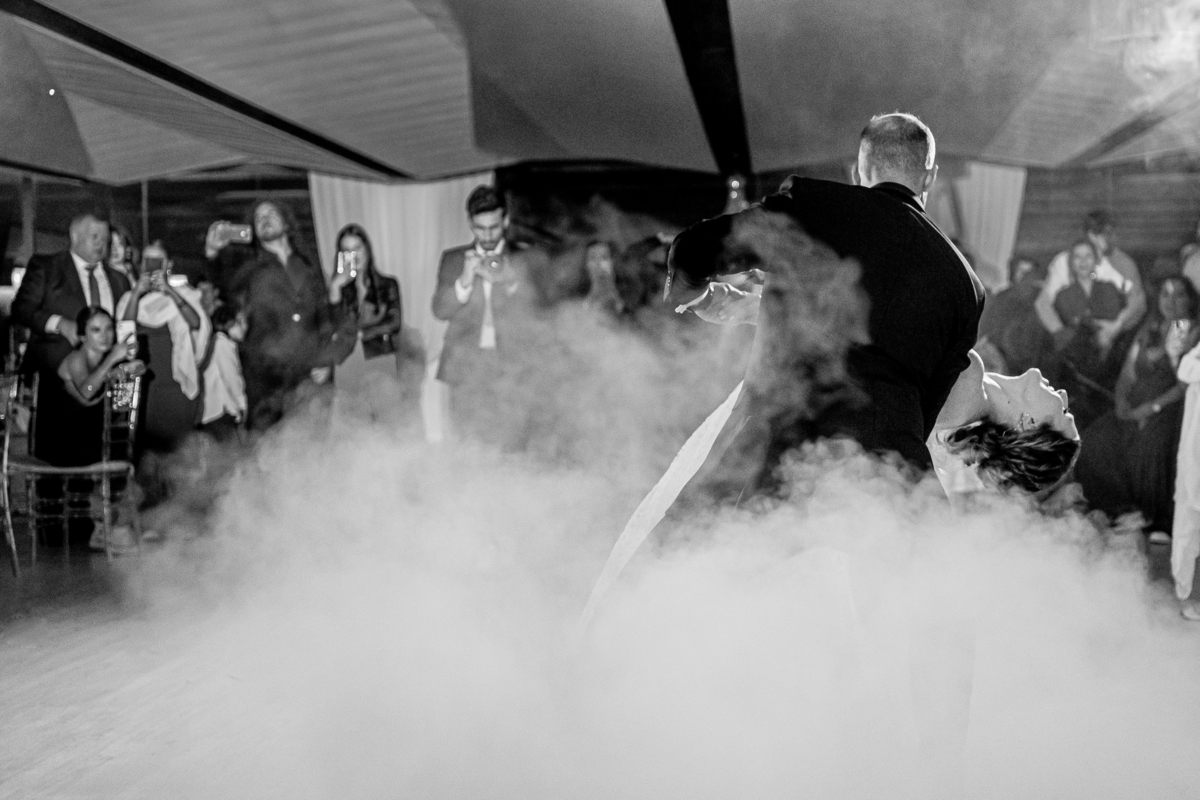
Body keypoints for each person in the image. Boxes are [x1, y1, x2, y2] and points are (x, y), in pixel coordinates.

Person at [665, 112, 983, 504]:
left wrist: (698, 297)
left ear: (857, 171)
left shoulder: (815, 206)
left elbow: (695, 250)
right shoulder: (966, 285)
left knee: (694, 538)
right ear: (929, 177)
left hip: (783, 456)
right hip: (893, 480)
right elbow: (926, 408)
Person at [210, 200, 355, 431]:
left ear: (287, 224)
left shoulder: (311, 267)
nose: (264, 219)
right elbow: (219, 291)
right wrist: (212, 252)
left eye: (271, 213)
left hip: (310, 376)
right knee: (266, 449)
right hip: (266, 383)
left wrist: (327, 359)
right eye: (258, 217)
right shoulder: (247, 270)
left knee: (313, 447)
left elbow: (326, 320)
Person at [1075, 276, 1200, 540]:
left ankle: (1156, 518)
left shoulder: (1187, 329)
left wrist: (1150, 408)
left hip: (1169, 406)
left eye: (1179, 295)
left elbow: (1183, 385)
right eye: (1165, 294)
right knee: (1097, 439)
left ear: (1190, 300)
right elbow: (1128, 374)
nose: (1171, 301)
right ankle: (1119, 509)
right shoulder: (1150, 328)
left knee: (1153, 443)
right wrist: (1121, 402)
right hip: (1134, 406)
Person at [12, 212, 135, 465]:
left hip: (102, 391)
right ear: (75, 236)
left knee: (100, 460)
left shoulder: (119, 280)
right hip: (55, 391)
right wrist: (58, 324)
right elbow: (22, 309)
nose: (101, 244)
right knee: (54, 464)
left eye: (105, 239)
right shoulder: (47, 267)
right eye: (94, 237)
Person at [431, 185, 531, 445]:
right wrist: (464, 282)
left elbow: (540, 312)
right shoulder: (454, 259)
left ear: (505, 220)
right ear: (469, 223)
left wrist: (512, 281)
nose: (487, 235)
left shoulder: (524, 257)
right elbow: (439, 311)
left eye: (493, 227)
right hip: (464, 367)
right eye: (479, 228)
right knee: (466, 443)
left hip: (510, 367)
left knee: (511, 443)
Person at [329, 224, 424, 422]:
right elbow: (333, 326)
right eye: (346, 250)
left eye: (357, 248)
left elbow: (394, 323)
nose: (353, 255)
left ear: (367, 250)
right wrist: (336, 288)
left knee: (388, 422)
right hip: (347, 362)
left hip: (380, 358)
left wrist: (360, 333)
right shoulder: (337, 289)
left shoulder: (388, 284)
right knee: (354, 425)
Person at [1041, 239, 1127, 428]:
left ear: (1096, 260)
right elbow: (1062, 338)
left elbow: (1119, 327)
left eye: (1088, 256)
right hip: (1079, 375)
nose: (1083, 262)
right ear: (1071, 262)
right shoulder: (1063, 296)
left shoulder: (1109, 289)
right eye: (1077, 257)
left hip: (1111, 368)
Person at [1034, 210, 1146, 355]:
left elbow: (1138, 301)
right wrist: (1061, 334)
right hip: (1071, 340)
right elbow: (1043, 303)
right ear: (1089, 234)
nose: (1109, 238)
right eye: (1102, 233)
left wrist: (1116, 325)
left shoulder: (1124, 264)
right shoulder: (1064, 262)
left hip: (1116, 340)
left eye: (1111, 233)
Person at [975, 255, 1048, 375]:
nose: (1025, 277)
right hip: (1000, 362)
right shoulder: (1001, 299)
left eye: (1029, 273)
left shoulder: (1040, 302)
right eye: (1022, 271)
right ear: (1013, 272)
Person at [1172, 338, 1200, 620]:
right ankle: (1185, 595)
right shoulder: (1194, 356)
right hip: (1195, 456)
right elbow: (1183, 368)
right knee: (1189, 526)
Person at [198, 304, 248, 442]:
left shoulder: (220, 342)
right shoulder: (222, 343)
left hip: (216, 414)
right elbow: (231, 378)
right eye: (242, 322)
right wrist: (242, 406)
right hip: (220, 413)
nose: (245, 327)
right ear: (229, 323)